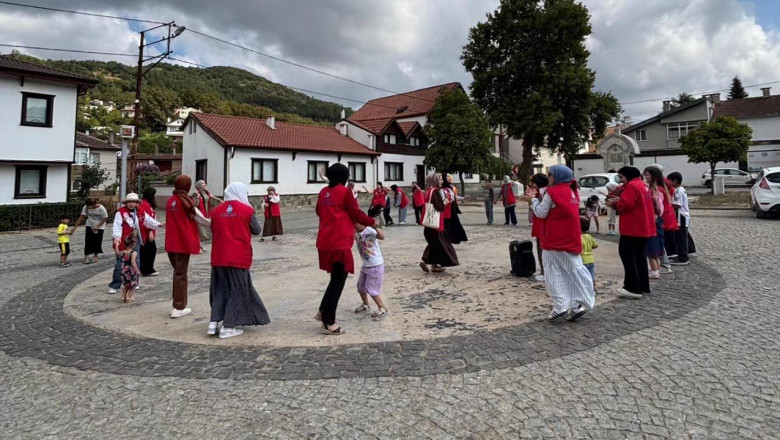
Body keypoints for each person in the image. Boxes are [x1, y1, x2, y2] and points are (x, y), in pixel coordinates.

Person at [520, 165, 595, 322]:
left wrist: (533, 201)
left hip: (554, 238)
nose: (548, 177)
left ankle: (560, 305)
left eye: (550, 174)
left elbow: (541, 212)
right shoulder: (572, 191)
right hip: (570, 237)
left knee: (553, 271)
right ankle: (576, 305)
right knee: (572, 270)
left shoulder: (552, 192)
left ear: (558, 176)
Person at [315, 163, 376, 335]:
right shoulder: (344, 192)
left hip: (324, 241)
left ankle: (322, 311)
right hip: (339, 241)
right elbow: (355, 213)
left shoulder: (323, 192)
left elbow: (319, 211)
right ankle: (328, 323)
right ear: (344, 176)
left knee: (335, 278)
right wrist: (372, 221)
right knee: (338, 280)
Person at [208, 182, 270, 339]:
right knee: (237, 290)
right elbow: (257, 230)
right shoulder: (246, 210)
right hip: (237, 256)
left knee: (220, 289)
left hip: (219, 256)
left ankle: (213, 322)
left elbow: (213, 228)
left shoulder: (216, 211)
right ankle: (228, 326)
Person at [606, 167, 655, 299]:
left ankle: (632, 287)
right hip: (644, 227)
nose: (621, 181)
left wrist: (614, 204)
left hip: (632, 228)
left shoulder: (632, 186)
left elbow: (626, 204)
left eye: (622, 177)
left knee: (628, 257)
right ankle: (643, 285)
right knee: (640, 258)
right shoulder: (643, 185)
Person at [166, 175, 211, 319]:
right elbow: (200, 218)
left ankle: (177, 304)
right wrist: (217, 222)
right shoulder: (185, 200)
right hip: (182, 242)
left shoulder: (171, 200)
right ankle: (179, 307)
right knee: (181, 274)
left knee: (177, 273)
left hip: (171, 242)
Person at [109, 193, 162, 294]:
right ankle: (115, 285)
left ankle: (134, 282)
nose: (131, 204)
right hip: (124, 240)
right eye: (129, 202)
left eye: (133, 202)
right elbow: (117, 226)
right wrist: (117, 237)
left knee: (136, 261)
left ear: (137, 203)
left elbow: (148, 220)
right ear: (126, 203)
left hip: (135, 240)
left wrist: (158, 224)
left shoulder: (140, 211)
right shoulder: (120, 212)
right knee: (120, 263)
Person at [420, 173, 459, 273]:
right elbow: (439, 207)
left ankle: (434, 264)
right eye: (440, 179)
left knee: (435, 244)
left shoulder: (429, 190)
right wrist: (445, 203)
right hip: (436, 223)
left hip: (430, 223)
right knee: (440, 243)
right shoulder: (435, 191)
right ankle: (425, 260)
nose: (442, 181)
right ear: (435, 180)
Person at [353, 222, 388, 319]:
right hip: (366, 264)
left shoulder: (369, 231)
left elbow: (381, 237)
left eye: (356, 222)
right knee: (360, 286)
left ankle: (382, 308)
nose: (354, 225)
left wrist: (375, 227)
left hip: (375, 265)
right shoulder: (355, 232)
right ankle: (365, 304)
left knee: (371, 289)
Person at [72, 198, 108, 264]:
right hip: (89, 224)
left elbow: (105, 218)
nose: (89, 207)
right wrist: (75, 227)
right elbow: (81, 217)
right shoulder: (85, 207)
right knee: (88, 241)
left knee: (97, 241)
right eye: (88, 206)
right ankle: (87, 257)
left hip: (99, 226)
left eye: (90, 206)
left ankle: (95, 256)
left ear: (94, 204)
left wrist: (97, 226)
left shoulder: (101, 208)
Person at [528, 173, 549, 282]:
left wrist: (531, 201)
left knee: (541, 247)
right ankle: (542, 270)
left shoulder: (543, 193)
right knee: (540, 245)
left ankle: (544, 271)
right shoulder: (542, 192)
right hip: (539, 221)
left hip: (541, 222)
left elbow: (540, 208)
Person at [192, 180, 222, 252]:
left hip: (208, 213)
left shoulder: (207, 193)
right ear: (199, 185)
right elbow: (195, 204)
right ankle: (200, 245)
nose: (204, 184)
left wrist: (219, 201)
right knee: (201, 231)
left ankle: (202, 245)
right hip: (200, 214)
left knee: (206, 230)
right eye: (202, 183)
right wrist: (197, 198)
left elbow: (212, 202)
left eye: (204, 183)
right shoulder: (196, 194)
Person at [667, 172, 690, 266]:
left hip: (681, 216)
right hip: (683, 216)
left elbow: (677, 204)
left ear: (675, 181)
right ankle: (682, 255)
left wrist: (668, 204)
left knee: (681, 237)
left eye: (670, 181)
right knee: (681, 236)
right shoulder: (681, 189)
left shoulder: (678, 191)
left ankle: (683, 258)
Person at [138, 188, 159, 276]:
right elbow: (147, 219)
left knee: (149, 250)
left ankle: (147, 268)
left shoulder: (147, 204)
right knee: (149, 250)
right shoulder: (145, 205)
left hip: (149, 231)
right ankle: (147, 269)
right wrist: (150, 231)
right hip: (146, 232)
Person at [442, 177, 468, 244]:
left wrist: (463, 198)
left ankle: (455, 238)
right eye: (447, 177)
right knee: (447, 224)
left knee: (455, 223)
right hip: (446, 209)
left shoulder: (450, 188)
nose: (449, 178)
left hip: (452, 208)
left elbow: (454, 197)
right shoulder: (441, 189)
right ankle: (447, 239)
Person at [119, 233, 140, 303]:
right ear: (133, 244)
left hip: (123, 270)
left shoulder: (122, 252)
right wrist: (137, 270)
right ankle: (128, 297)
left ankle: (123, 297)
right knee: (132, 285)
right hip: (130, 271)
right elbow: (133, 262)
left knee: (126, 285)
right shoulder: (134, 253)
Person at [580, 217, 598, 291]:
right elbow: (595, 245)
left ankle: (584, 289)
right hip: (591, 259)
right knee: (591, 275)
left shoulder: (578, 237)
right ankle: (593, 288)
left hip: (582, 260)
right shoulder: (589, 236)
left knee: (583, 276)